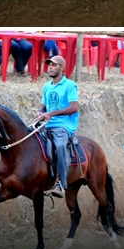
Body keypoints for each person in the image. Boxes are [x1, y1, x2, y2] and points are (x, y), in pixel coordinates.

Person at [34, 55, 79, 191]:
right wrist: (39, 112)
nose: (50, 68)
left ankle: (61, 183)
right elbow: (44, 106)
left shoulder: (70, 85)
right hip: (46, 124)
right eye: (49, 65)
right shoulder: (47, 86)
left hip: (63, 125)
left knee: (60, 146)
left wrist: (51, 113)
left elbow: (74, 107)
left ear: (62, 67)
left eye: (54, 65)